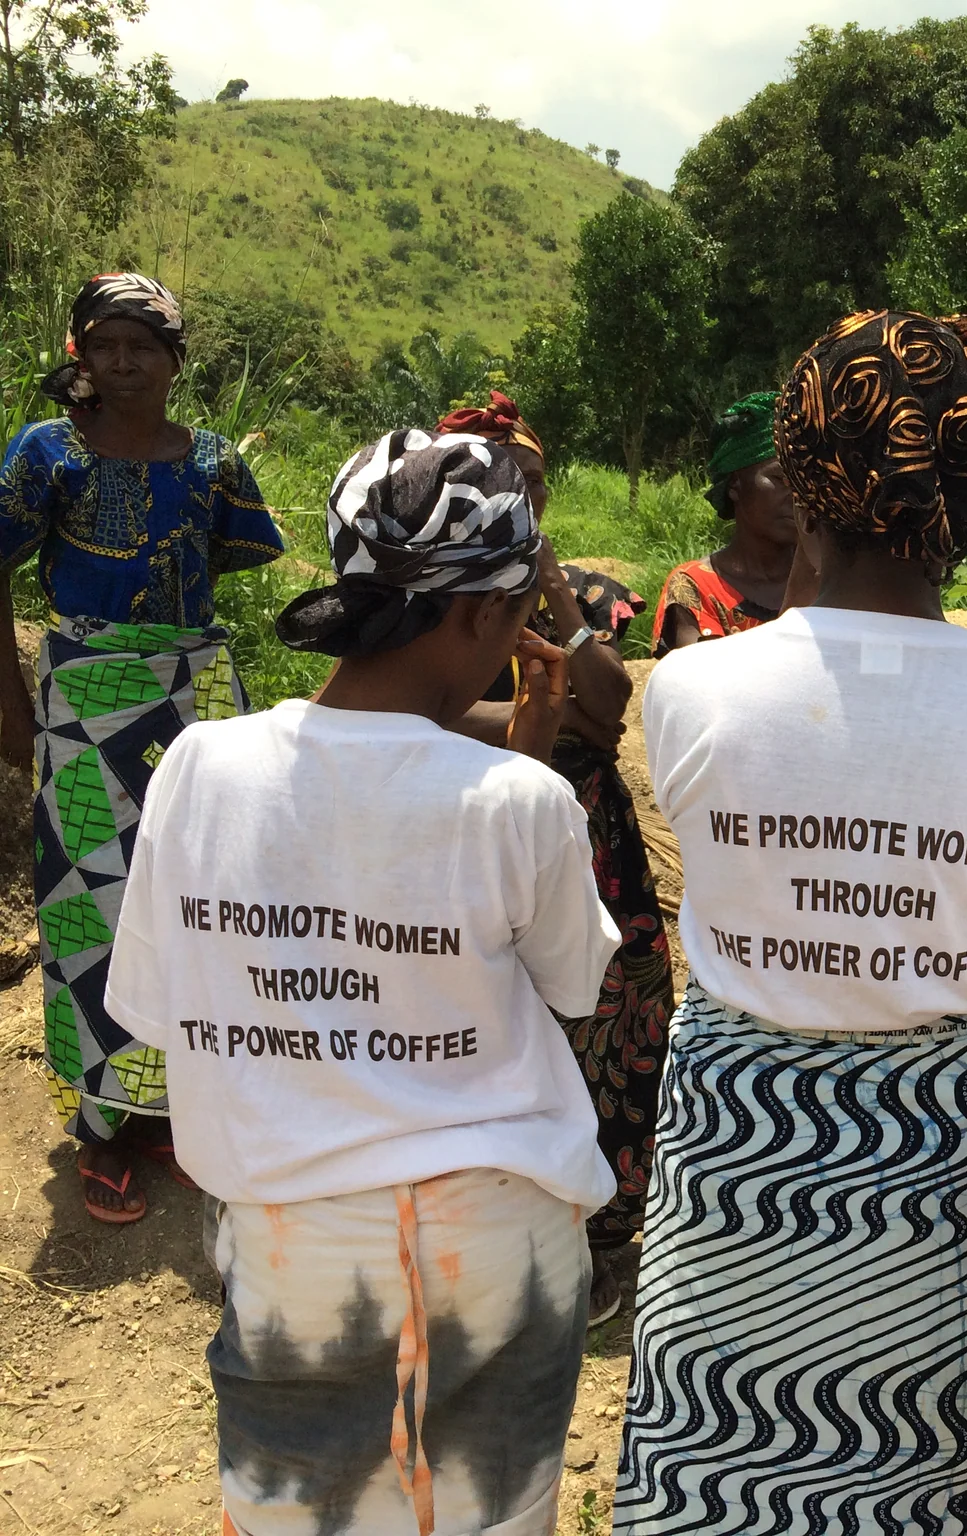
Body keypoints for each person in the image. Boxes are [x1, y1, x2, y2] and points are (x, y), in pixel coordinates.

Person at [615, 310, 967, 1536]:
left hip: (744, 1173)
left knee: (730, 1479)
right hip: (952, 1194)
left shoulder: (691, 688)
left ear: (807, 478)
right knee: (939, 1486)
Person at [104, 427, 621, 1536]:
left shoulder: (201, 766)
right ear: (489, 611)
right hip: (496, 1240)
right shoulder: (514, 801)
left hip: (291, 1250)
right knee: (495, 1516)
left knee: (291, 1516)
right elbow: (574, 985)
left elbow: (160, 1005)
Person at [0, 271, 283, 1224]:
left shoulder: (212, 463)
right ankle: (104, 1123)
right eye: (104, 343)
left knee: (195, 898)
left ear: (174, 359)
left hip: (199, 698)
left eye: (144, 345)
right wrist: (13, 703)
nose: (123, 361)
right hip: (85, 696)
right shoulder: (47, 454)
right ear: (81, 351)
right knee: (93, 903)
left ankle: (174, 1108)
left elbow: (239, 558)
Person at [438, 393, 672, 1327]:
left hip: (587, 834)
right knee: (497, 1025)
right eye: (494, 479)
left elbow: (611, 704)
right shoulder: (425, 598)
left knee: (611, 1017)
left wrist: (554, 593)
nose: (515, 496)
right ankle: (499, 1239)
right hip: (471, 831)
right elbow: (418, 712)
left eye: (529, 482)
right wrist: (533, 719)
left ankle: (587, 1239)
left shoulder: (585, 589)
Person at [649, 391, 796, 654]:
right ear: (735, 486)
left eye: (805, 480)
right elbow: (700, 680)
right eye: (781, 479)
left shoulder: (832, 582)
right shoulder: (695, 588)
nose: (798, 494)